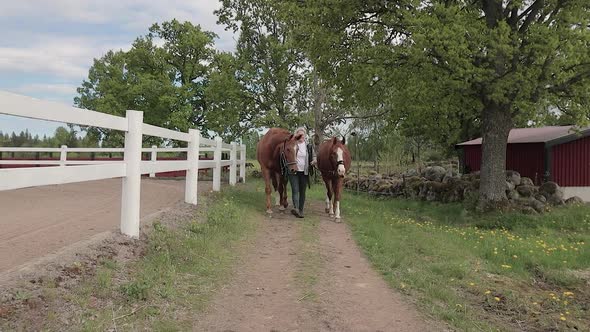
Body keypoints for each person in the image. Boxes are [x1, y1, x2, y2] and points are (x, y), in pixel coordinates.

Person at [289, 127, 316, 218]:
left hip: (304, 172)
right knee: (295, 190)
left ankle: (301, 210)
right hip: (294, 171)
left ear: (305, 136)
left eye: (302, 135)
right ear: (296, 136)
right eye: (299, 135)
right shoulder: (293, 145)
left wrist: (313, 161)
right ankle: (296, 208)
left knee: (302, 192)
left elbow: (314, 156)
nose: (301, 136)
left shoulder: (308, 146)